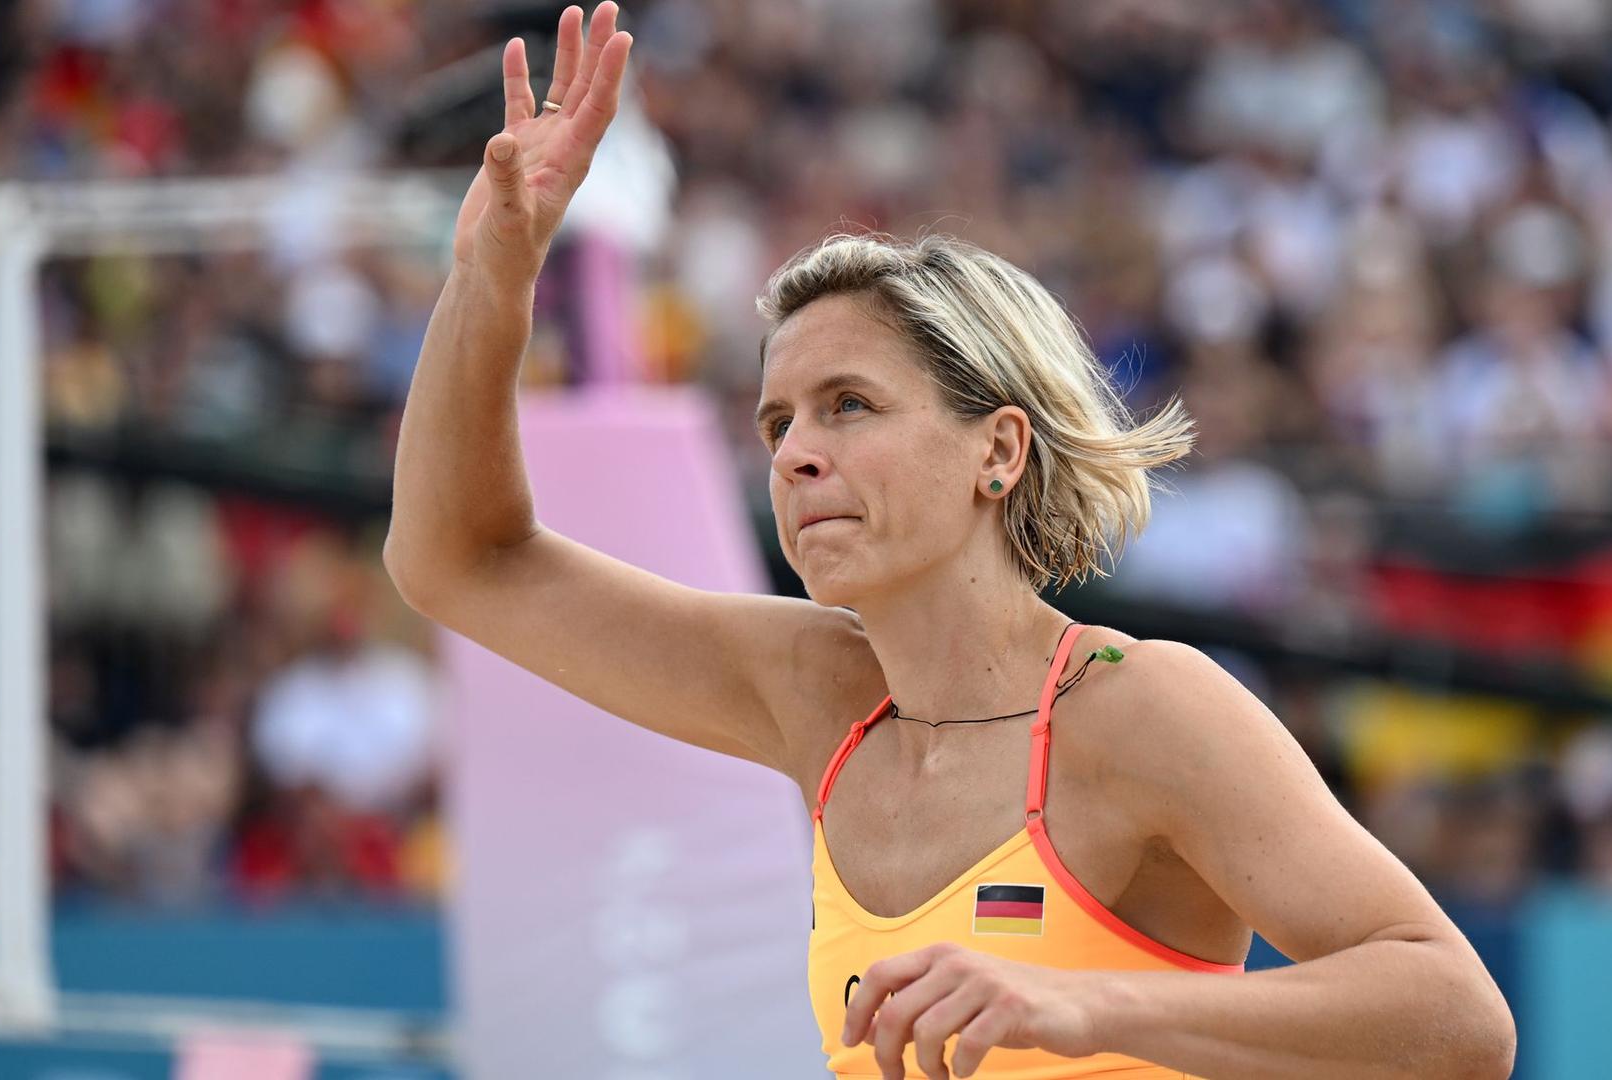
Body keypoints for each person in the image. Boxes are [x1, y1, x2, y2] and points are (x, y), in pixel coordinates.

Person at [382, 5, 1516, 1078]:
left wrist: (1086, 1007)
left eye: (850, 406)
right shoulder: (817, 694)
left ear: (999, 451)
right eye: (778, 423)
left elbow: (1458, 1021)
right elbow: (458, 562)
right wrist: (491, 277)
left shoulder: (1141, 709)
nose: (794, 455)